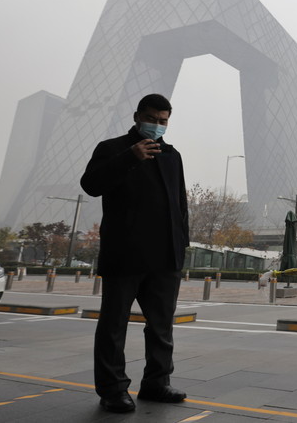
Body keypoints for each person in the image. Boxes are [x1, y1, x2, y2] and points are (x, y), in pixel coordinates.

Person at [81, 93, 190, 413]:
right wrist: (131, 156)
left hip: (165, 257)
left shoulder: (172, 156)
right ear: (136, 116)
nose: (156, 126)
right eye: (151, 119)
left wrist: (181, 246)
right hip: (125, 254)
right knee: (113, 324)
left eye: (163, 121)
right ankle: (113, 389)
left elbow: (180, 205)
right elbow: (91, 184)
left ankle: (157, 383)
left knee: (161, 326)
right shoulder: (112, 149)